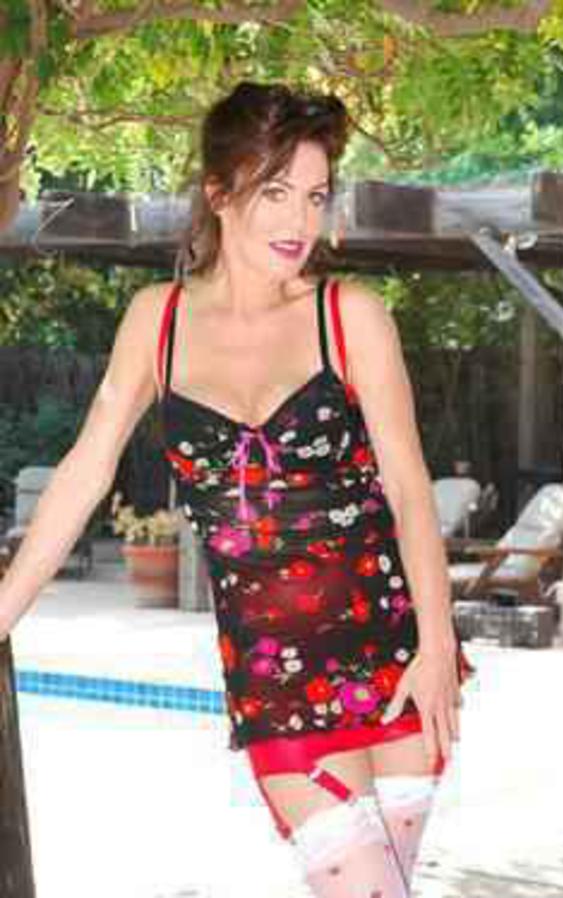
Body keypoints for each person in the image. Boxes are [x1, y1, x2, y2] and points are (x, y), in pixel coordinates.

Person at [0, 81, 476, 896]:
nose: (300, 221)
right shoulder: (157, 321)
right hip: (275, 678)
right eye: (276, 192)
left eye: (316, 196)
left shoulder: (350, 315)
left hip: (396, 658)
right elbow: (85, 470)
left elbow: (406, 487)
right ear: (219, 193)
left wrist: (436, 650)